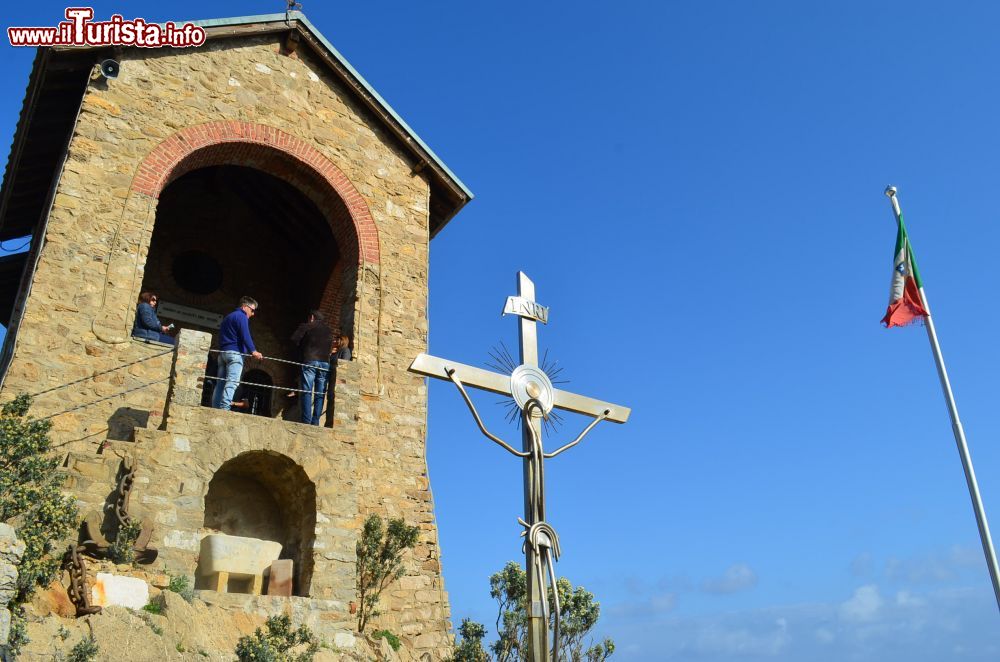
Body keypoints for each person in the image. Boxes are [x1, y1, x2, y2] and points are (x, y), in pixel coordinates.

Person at [212, 296, 263, 411]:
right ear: (245, 307)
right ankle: (225, 408)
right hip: (235, 355)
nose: (253, 314)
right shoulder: (242, 317)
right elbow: (245, 335)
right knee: (232, 382)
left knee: (220, 384)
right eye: (252, 310)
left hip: (223, 354)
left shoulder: (228, 317)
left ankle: (215, 408)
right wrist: (253, 351)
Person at [291, 310, 333, 425]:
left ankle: (306, 420)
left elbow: (294, 340)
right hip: (325, 363)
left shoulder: (307, 326)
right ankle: (315, 421)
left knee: (307, 391)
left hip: (310, 360)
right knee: (320, 393)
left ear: (312, 317)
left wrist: (303, 349)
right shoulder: (329, 331)